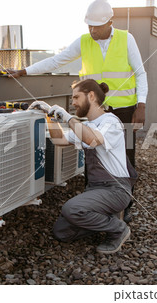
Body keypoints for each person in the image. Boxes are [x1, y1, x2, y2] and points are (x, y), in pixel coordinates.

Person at [8, 0, 148, 223]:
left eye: (96, 26)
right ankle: (93, 200)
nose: (92, 30)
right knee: (90, 153)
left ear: (110, 22)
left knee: (124, 157)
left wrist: (141, 105)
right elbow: (56, 61)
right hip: (95, 111)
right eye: (89, 25)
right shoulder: (83, 41)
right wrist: (24, 71)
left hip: (124, 110)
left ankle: (125, 203)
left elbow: (140, 73)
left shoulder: (126, 39)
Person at [29, 79, 137, 254]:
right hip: (95, 189)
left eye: (76, 97)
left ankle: (118, 229)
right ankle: (107, 217)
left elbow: (91, 139)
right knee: (62, 232)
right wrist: (49, 115)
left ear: (91, 96)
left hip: (116, 189)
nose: (73, 103)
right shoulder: (86, 125)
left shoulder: (111, 121)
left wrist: (67, 116)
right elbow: (59, 140)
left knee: (72, 209)